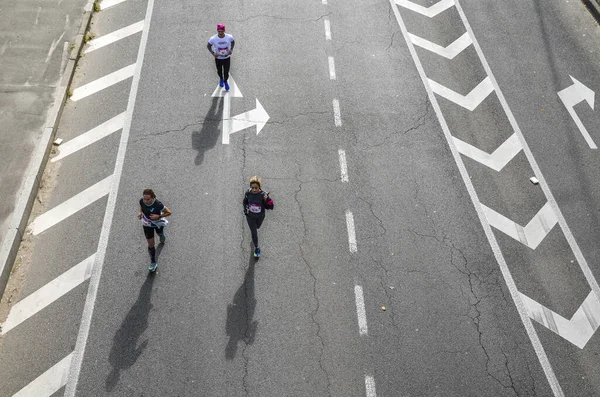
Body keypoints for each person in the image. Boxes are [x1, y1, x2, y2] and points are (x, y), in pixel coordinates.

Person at [137, 188, 172, 271]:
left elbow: (169, 212)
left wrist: (158, 216)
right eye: (145, 199)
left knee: (159, 233)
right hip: (147, 224)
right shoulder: (142, 201)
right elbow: (142, 206)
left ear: (153, 198)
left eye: (148, 199)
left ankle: (161, 234)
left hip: (157, 223)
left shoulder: (158, 204)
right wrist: (140, 212)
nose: (146, 201)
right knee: (150, 244)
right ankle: (153, 262)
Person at [243, 176, 274, 258]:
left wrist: (267, 200)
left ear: (259, 187)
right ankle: (257, 248)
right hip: (250, 217)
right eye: (252, 188)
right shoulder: (248, 193)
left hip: (260, 216)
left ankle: (255, 236)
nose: (254, 190)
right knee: (254, 232)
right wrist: (245, 210)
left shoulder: (263, 195)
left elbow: (271, 206)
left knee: (257, 227)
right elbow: (244, 202)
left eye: (256, 188)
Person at [207, 24, 235, 91]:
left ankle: (225, 81)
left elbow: (233, 42)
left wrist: (231, 49)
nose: (220, 33)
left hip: (226, 58)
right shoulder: (213, 38)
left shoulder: (229, 37)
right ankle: (221, 79)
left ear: (224, 30)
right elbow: (208, 46)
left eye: (222, 31)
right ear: (217, 31)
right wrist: (213, 53)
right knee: (219, 71)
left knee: (226, 72)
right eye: (219, 31)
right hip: (218, 58)